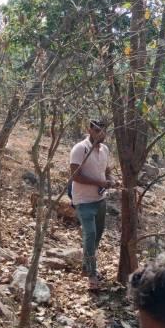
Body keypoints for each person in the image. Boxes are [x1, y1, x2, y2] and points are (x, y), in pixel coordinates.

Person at [70, 119, 116, 291]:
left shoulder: (105, 149)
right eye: (97, 130)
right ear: (89, 130)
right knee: (90, 234)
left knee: (97, 236)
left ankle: (86, 266)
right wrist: (99, 182)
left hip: (100, 199)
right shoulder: (79, 149)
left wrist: (110, 180)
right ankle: (92, 274)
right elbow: (75, 175)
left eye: (103, 131)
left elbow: (107, 170)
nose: (100, 134)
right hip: (83, 200)